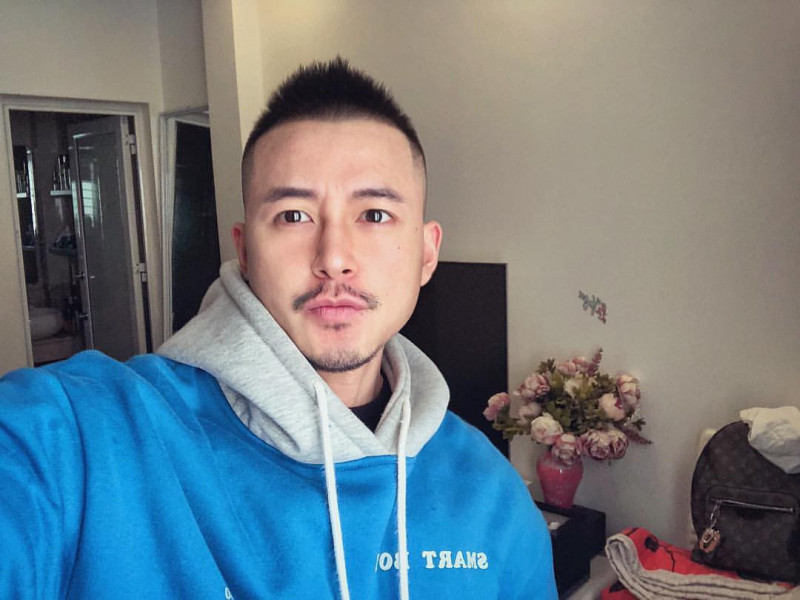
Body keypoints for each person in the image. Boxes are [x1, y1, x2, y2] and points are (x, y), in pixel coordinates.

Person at [0, 58, 556, 599]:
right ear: (245, 253)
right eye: (293, 216)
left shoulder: (494, 497)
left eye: (374, 214)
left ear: (427, 253)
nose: (334, 258)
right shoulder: (81, 438)